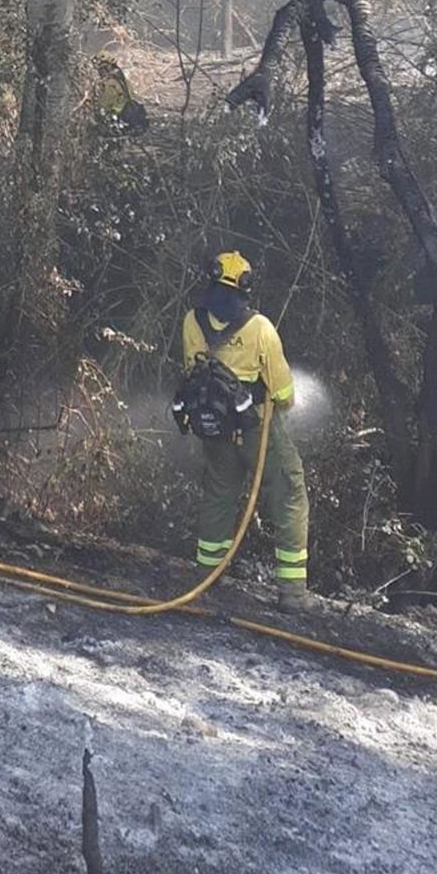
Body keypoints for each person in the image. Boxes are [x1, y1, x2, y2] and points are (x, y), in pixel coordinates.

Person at [180, 250, 310, 609]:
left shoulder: (192, 321)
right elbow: (283, 394)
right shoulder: (260, 328)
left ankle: (208, 576)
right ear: (245, 287)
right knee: (289, 492)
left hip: (213, 427)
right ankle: (292, 592)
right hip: (257, 428)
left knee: (219, 493)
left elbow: (191, 368)